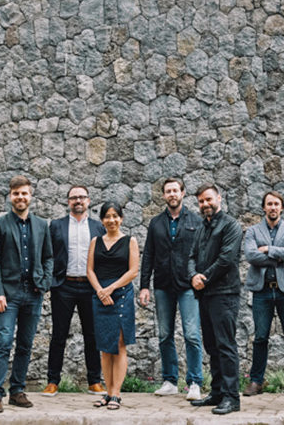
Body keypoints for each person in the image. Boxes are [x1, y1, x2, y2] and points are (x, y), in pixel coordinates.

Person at [0, 176, 53, 414]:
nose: (20, 197)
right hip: (8, 295)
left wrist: (45, 282)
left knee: (25, 344)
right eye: (16, 193)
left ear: (30, 196)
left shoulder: (42, 225)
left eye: (24, 193)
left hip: (33, 293)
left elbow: (48, 257)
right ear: (10, 196)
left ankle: (17, 391)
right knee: (3, 343)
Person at [139, 178, 203, 400]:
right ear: (164, 195)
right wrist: (144, 286)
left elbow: (202, 252)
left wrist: (200, 277)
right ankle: (170, 381)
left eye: (176, 190)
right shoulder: (156, 223)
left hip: (188, 285)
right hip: (163, 285)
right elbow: (148, 255)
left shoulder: (196, 221)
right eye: (168, 191)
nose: (172, 194)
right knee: (165, 334)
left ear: (183, 193)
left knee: (192, 334)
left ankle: (195, 382)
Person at [243, 190, 284, 398]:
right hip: (262, 290)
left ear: (282, 207)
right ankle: (256, 381)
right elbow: (251, 256)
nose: (273, 207)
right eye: (269, 204)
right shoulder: (253, 231)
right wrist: (279, 256)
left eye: (276, 204)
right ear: (264, 207)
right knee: (260, 337)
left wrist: (267, 249)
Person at [42, 185, 106, 397]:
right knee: (59, 335)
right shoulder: (56, 225)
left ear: (88, 200)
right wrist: (50, 280)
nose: (78, 201)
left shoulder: (98, 227)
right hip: (64, 285)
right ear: (68, 201)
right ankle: (52, 381)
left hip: (90, 286)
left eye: (81, 197)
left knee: (92, 335)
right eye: (73, 198)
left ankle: (94, 381)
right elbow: (48, 254)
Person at [187, 183, 243, 415]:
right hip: (205, 294)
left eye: (208, 199)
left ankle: (232, 397)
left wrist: (204, 278)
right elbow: (191, 256)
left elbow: (226, 259)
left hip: (225, 293)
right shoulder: (201, 227)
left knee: (225, 345)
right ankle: (218, 392)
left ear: (219, 198)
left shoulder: (231, 226)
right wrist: (193, 275)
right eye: (201, 201)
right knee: (212, 346)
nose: (205, 204)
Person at [87, 201, 139, 411]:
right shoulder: (95, 241)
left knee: (119, 344)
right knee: (105, 346)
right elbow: (90, 270)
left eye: (115, 216)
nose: (111, 220)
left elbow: (133, 271)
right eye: (107, 216)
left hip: (121, 296)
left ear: (121, 218)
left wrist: (110, 289)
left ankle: (117, 393)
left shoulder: (130, 241)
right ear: (102, 220)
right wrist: (100, 291)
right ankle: (108, 393)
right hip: (100, 296)